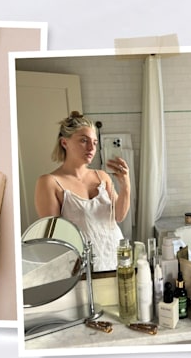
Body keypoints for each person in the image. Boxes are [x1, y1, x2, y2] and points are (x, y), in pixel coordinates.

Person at [34, 111, 131, 271]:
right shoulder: (49, 183)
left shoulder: (102, 177)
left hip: (115, 256)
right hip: (81, 266)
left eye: (94, 142)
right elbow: (54, 238)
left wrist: (125, 185)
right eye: (83, 141)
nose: (91, 147)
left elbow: (119, 216)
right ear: (64, 143)